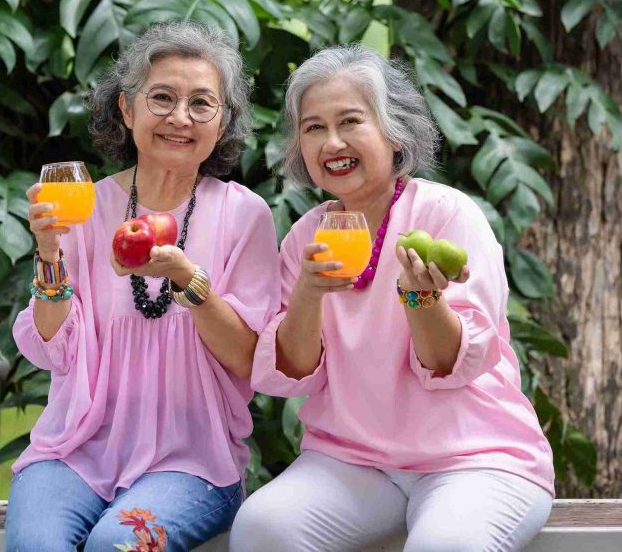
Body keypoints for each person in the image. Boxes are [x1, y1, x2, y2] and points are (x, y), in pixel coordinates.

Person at [230, 46, 555, 552]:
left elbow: (450, 361)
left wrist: (421, 300)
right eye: (314, 127)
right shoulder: (305, 237)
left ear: (393, 130)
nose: (331, 141)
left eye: (350, 121)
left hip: (473, 458)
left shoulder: (448, 215)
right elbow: (292, 371)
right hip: (353, 461)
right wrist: (309, 295)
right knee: (262, 528)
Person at [5, 22, 279, 552]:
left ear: (222, 124)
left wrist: (187, 279)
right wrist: (49, 252)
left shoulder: (244, 216)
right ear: (128, 111)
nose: (180, 117)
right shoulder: (83, 205)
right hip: (76, 451)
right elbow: (53, 348)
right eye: (162, 98)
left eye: (202, 103)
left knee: (117, 546)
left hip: (194, 463)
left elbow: (248, 358)